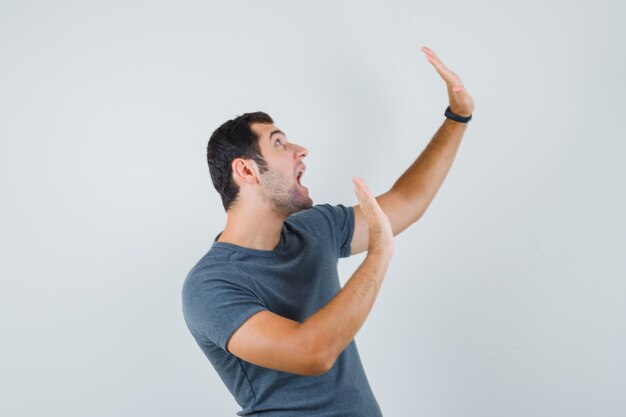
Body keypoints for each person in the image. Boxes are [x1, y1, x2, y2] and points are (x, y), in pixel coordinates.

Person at [181, 46, 475, 416]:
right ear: (246, 171)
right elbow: (311, 353)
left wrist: (458, 116)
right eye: (279, 143)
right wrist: (380, 252)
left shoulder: (313, 228)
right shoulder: (211, 286)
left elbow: (407, 202)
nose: (300, 150)